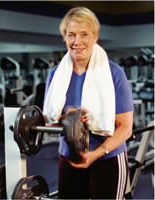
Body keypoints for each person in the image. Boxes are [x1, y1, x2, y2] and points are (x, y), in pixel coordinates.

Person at [43, 7, 134, 199]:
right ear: (64, 38)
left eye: (84, 34)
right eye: (71, 35)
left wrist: (97, 153)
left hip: (107, 158)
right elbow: (50, 121)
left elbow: (125, 128)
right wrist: (67, 117)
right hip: (69, 157)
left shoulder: (114, 73)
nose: (77, 42)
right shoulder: (56, 74)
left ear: (95, 37)